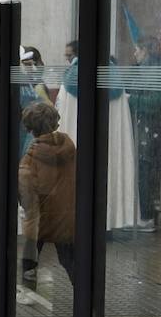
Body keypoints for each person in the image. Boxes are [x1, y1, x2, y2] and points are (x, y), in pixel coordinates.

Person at [55, 43, 138, 232]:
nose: (67, 60)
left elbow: (62, 115)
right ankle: (106, 222)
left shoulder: (70, 79)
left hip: (77, 142)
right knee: (107, 173)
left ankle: (79, 222)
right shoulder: (115, 76)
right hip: (109, 145)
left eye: (68, 56)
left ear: (77, 56)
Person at [18, 100, 77, 291]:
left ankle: (27, 288)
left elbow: (27, 195)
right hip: (66, 216)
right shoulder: (69, 148)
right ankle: (84, 290)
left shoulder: (30, 159)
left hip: (40, 219)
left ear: (30, 129)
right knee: (69, 259)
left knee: (30, 252)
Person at [129, 34, 161, 231]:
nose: (134, 53)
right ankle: (151, 215)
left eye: (138, 50)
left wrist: (131, 100)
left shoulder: (158, 72)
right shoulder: (147, 70)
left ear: (147, 51)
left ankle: (149, 217)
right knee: (148, 173)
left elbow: (157, 102)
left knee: (148, 173)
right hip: (148, 129)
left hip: (152, 131)